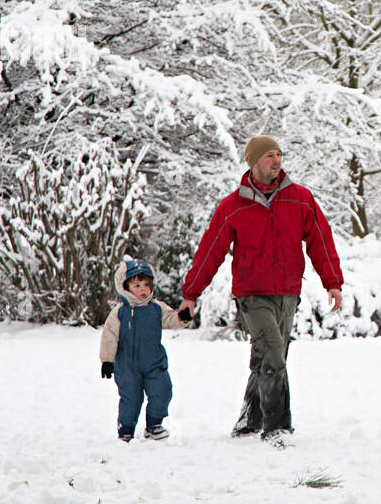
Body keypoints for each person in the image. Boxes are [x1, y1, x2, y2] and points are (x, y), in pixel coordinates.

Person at [178, 136, 343, 446]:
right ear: (253, 162)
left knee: (269, 355)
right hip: (252, 294)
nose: (277, 160)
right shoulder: (232, 206)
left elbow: (321, 239)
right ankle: (277, 425)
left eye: (279, 154)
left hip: (288, 292)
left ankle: (249, 418)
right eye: (269, 155)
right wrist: (191, 293)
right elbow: (210, 250)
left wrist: (332, 281)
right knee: (272, 353)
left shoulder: (300, 199)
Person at [100, 258, 190, 442]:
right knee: (131, 398)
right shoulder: (120, 312)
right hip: (127, 366)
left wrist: (182, 317)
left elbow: (171, 319)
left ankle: (154, 425)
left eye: (146, 285)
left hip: (154, 362)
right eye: (137, 285)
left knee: (163, 390)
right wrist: (107, 361)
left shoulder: (157, 308)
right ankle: (125, 429)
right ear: (125, 287)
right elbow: (109, 336)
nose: (143, 289)